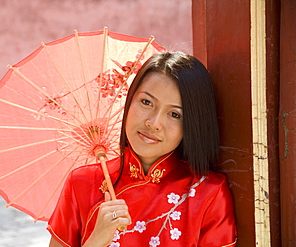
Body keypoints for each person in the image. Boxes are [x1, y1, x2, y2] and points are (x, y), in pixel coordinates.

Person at [47, 51, 237, 247]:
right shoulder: (82, 183)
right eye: (146, 102)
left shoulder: (208, 193)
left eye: (174, 114)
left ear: (192, 124)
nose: (154, 123)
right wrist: (95, 241)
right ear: (129, 101)